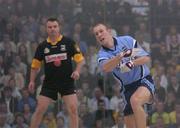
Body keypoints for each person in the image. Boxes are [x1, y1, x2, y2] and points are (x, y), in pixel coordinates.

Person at [93, 23, 155, 128]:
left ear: (108, 31)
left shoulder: (127, 40)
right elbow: (106, 67)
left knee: (135, 101)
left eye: (101, 31)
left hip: (143, 80)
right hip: (127, 89)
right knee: (129, 121)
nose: (99, 34)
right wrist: (120, 56)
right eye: (96, 34)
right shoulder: (102, 54)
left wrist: (131, 63)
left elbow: (146, 58)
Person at [28, 17, 85, 128]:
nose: (52, 29)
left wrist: (77, 72)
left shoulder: (68, 42)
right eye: (50, 27)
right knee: (40, 109)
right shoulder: (42, 46)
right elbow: (35, 66)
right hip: (49, 83)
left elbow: (81, 60)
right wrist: (31, 81)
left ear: (59, 28)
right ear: (46, 29)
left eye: (55, 26)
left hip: (67, 82)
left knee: (73, 109)